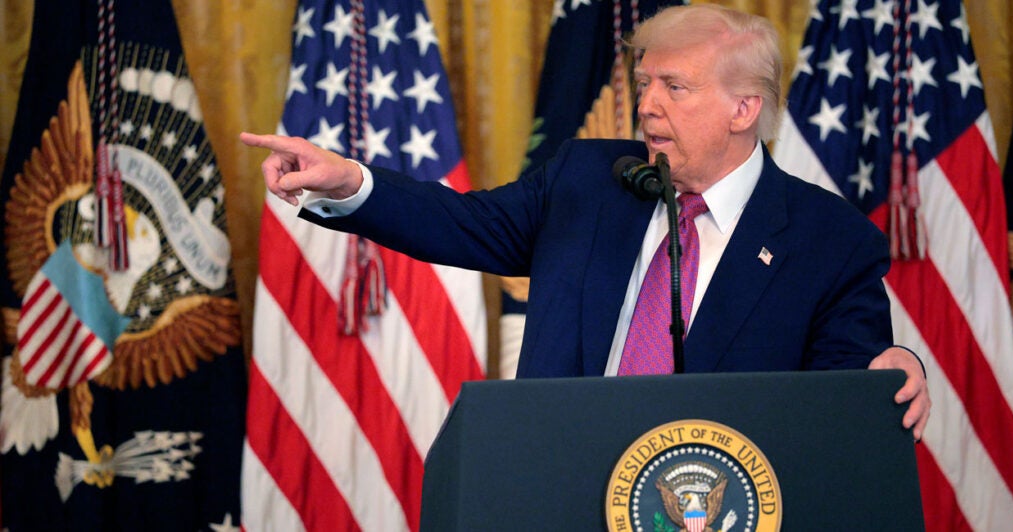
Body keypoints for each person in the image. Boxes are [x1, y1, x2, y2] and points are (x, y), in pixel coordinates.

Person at [241, 4, 929, 440]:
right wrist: (350, 182)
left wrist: (888, 372)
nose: (647, 106)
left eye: (675, 88)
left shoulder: (829, 241)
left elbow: (847, 403)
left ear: (743, 108)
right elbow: (461, 222)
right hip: (557, 492)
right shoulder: (586, 179)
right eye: (645, 83)